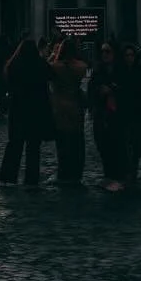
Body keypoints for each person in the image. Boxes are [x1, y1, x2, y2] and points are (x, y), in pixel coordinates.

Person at [0, 39, 53, 187]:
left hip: (18, 108)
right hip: (36, 109)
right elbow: (51, 75)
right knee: (33, 147)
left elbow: (8, 83)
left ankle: (8, 177)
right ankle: (31, 179)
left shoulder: (14, 65)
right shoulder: (40, 64)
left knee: (14, 144)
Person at [47, 39, 88, 186]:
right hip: (75, 105)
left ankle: (63, 172)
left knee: (62, 141)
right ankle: (76, 172)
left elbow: (48, 68)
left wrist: (53, 55)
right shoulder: (81, 67)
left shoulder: (55, 67)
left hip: (59, 106)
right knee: (77, 139)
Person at [88, 42, 126, 190]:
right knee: (103, 147)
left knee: (118, 146)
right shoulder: (97, 71)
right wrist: (99, 91)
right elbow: (91, 90)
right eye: (103, 52)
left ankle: (119, 176)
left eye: (108, 51)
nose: (105, 54)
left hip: (118, 115)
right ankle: (109, 175)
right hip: (102, 116)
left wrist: (113, 90)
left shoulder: (121, 70)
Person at [119, 43, 141, 184]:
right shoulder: (119, 71)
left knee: (137, 144)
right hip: (124, 114)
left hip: (138, 114)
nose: (129, 58)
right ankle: (129, 170)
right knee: (125, 143)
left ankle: (133, 167)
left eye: (131, 55)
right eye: (126, 55)